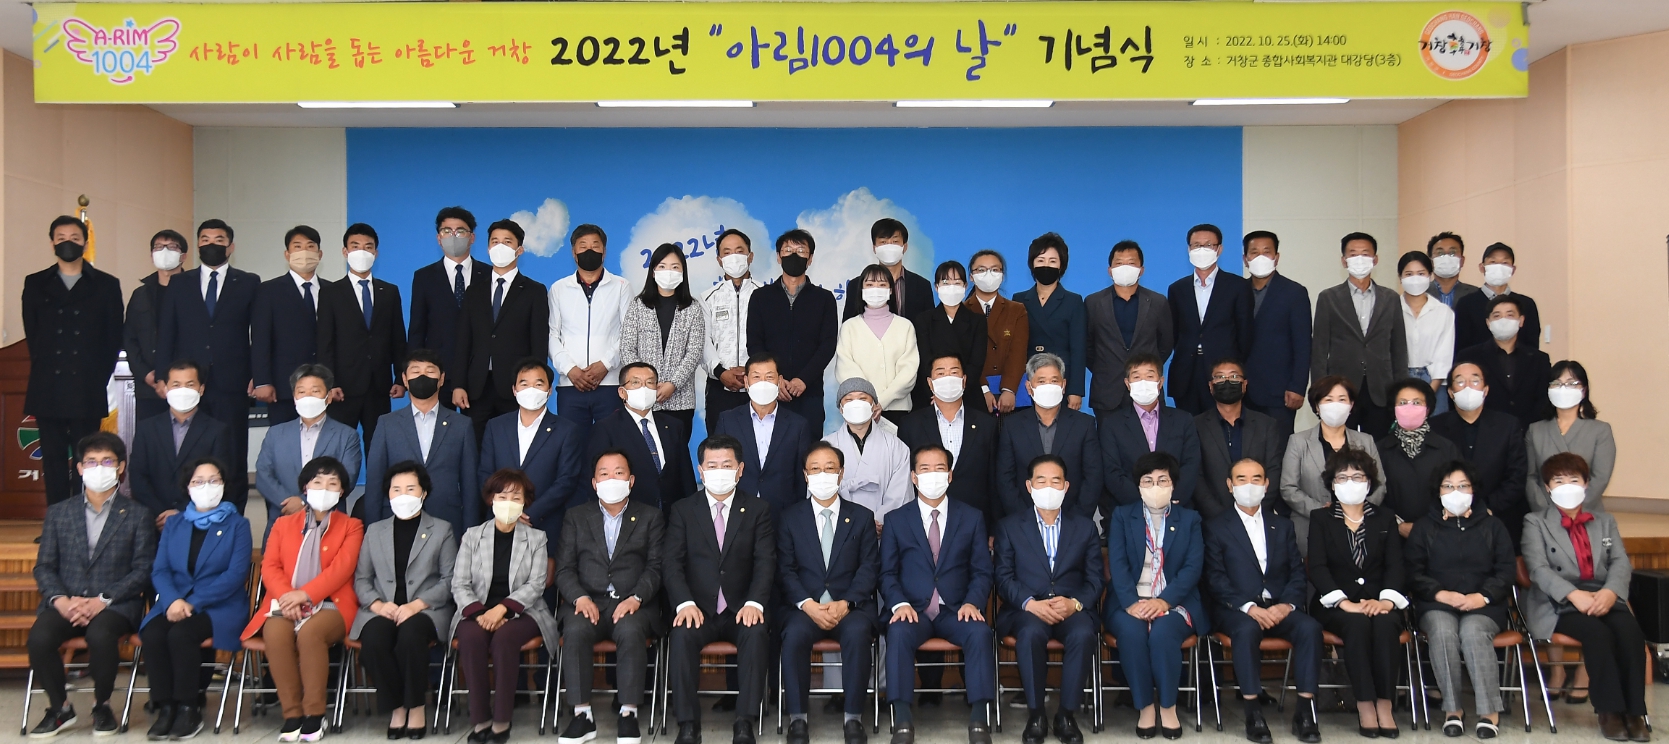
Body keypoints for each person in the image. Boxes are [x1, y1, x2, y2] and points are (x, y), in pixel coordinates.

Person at [26, 433, 156, 737]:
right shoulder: (59, 512)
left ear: (121, 467)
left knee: (101, 636)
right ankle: (60, 708)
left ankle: (102, 705)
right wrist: (60, 600)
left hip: (115, 605)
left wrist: (103, 599)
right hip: (66, 602)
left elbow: (143, 569)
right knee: (39, 638)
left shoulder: (138, 515)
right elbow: (44, 566)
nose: (99, 468)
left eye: (107, 461)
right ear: (80, 468)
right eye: (92, 462)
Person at [1522, 453, 1649, 742]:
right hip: (1558, 603)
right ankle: (1609, 711)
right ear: (1547, 487)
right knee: (1597, 634)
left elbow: (1620, 561)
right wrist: (1573, 595)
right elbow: (1538, 569)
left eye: (1574, 479)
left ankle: (1635, 713)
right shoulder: (1535, 522)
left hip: (1603, 595)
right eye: (1558, 480)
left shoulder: (1605, 521)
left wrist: (1610, 592)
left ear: (1586, 484)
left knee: (1630, 633)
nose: (1567, 486)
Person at [242, 456, 365, 743]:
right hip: (284, 602)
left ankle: (314, 713)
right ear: (305, 488)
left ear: (342, 491)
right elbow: (270, 566)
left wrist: (305, 595)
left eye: (332, 483)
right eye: (317, 482)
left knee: (310, 634)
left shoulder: (352, 526)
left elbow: (342, 569)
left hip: (332, 605)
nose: (325, 488)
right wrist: (289, 597)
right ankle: (292, 714)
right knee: (275, 633)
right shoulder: (283, 524)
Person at [665, 435, 776, 744]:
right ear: (700, 471)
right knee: (681, 636)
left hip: (741, 608)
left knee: (756, 634)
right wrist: (684, 603)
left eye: (726, 465)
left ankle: (744, 721)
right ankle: (688, 724)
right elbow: (671, 563)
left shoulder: (757, 509)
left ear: (740, 470)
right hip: (698, 608)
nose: (719, 471)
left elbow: (765, 561)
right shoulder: (683, 510)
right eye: (711, 466)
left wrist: (755, 602)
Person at [881, 445, 996, 744]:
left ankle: (979, 720)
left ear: (950, 475)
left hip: (955, 609)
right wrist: (899, 603)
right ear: (914, 477)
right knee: (898, 633)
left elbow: (982, 570)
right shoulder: (896, 519)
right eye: (925, 469)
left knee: (980, 633)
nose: (933, 475)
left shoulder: (971, 517)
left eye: (940, 468)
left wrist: (973, 601)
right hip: (912, 610)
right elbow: (887, 573)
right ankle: (902, 720)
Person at [1203, 458, 1323, 744]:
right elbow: (1215, 578)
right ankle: (1253, 711)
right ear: (1230, 485)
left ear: (1267, 485)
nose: (1249, 485)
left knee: (1310, 628)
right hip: (1237, 609)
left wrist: (1287, 605)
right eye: (1241, 479)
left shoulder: (1282, 525)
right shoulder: (1215, 527)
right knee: (1246, 631)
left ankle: (1305, 712)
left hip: (1279, 607)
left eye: (1256, 479)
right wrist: (1249, 607)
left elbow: (1297, 572)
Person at [553, 450, 665, 744]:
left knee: (630, 631)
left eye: (619, 472)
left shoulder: (650, 517)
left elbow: (656, 567)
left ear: (631, 480)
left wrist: (636, 598)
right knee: (575, 630)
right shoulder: (576, 517)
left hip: (633, 603)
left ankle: (628, 713)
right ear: (594, 482)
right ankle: (582, 715)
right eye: (604, 473)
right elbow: (564, 569)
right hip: (587, 601)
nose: (611, 478)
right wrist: (579, 598)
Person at [140, 457, 253, 740]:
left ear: (223, 485)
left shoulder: (238, 525)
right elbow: (161, 569)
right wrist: (172, 600)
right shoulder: (175, 524)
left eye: (214, 480)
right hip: (174, 601)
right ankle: (166, 706)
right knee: (153, 633)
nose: (206, 486)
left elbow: (235, 574)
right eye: (198, 481)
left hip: (220, 605)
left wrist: (192, 602)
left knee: (181, 634)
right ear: (187, 487)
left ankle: (189, 707)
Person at [994, 455, 1102, 744]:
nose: (1049, 487)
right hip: (1027, 608)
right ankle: (1036, 714)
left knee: (1083, 634)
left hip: (1071, 608)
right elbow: (1003, 577)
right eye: (1041, 481)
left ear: (1066, 486)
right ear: (1029, 486)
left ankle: (1066, 715)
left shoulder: (1085, 527)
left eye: (1056, 481)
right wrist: (1030, 603)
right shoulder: (1009, 526)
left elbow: (1095, 579)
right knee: (1030, 634)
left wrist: (1074, 603)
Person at [778, 442, 880, 744]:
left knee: (859, 634)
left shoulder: (861, 516)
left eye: (829, 468)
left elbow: (869, 567)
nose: (822, 475)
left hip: (850, 607)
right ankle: (798, 719)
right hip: (805, 607)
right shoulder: (789, 517)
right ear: (805, 475)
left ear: (841, 473)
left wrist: (847, 603)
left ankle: (853, 718)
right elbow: (785, 569)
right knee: (793, 636)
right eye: (815, 469)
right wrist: (807, 604)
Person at [1404, 461, 1515, 739]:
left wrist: (1482, 596)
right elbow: (1413, 572)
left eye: (1463, 486)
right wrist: (1440, 594)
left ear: (1474, 490)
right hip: (1437, 603)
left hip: (1484, 604)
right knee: (1442, 632)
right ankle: (1452, 709)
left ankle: (1489, 712)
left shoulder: (1493, 526)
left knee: (1473, 633)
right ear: (1438, 491)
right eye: (1448, 486)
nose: (1456, 492)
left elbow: (1506, 571)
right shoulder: (1424, 527)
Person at [451, 469, 561, 743]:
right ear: (491, 499)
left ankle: (501, 720)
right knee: (471, 638)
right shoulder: (472, 536)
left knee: (504, 639)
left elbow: (536, 585)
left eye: (516, 497)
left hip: (525, 612)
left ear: (525, 502)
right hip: (477, 611)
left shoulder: (537, 538)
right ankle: (480, 719)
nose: (509, 502)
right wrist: (480, 613)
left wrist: (502, 610)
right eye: (502, 496)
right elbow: (460, 583)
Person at [156, 219, 260, 506]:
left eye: (219, 240)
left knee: (233, 451)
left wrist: (257, 373)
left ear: (231, 246)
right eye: (205, 239)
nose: (211, 244)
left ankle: (233, 517)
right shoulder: (180, 283)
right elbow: (167, 332)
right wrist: (163, 376)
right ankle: (188, 514)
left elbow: (258, 333)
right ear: (197, 244)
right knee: (189, 449)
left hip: (233, 382)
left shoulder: (248, 282)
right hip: (188, 384)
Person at [1304, 448, 1407, 738]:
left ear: (1369, 482)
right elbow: (1318, 567)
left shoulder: (1385, 518)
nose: (1350, 482)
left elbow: (1395, 565)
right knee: (1357, 624)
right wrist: (1344, 602)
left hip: (1380, 601)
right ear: (1332, 483)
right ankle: (1364, 704)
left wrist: (1386, 600)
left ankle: (1385, 704)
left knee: (1386, 625)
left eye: (1358, 477)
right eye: (1343, 477)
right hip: (1336, 605)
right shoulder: (1321, 518)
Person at [1105, 452, 1207, 740]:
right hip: (1130, 601)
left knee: (1163, 634)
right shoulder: (1122, 516)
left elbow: (1192, 567)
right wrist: (1131, 603)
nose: (1155, 486)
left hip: (1175, 601)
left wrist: (1164, 601)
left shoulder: (1190, 519)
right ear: (1138, 485)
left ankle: (1168, 707)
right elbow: (1118, 564)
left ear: (1173, 484)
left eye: (1163, 480)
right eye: (1148, 480)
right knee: (1132, 634)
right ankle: (1145, 707)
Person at [352, 460, 458, 739]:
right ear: (388, 494)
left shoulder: (442, 529)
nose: (402, 495)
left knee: (411, 637)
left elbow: (450, 580)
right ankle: (398, 707)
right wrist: (378, 605)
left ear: (424, 493)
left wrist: (416, 605)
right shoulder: (375, 531)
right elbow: (361, 579)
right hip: (383, 608)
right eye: (396, 489)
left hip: (426, 609)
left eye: (410, 489)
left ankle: (417, 707)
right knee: (374, 641)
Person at [25, 215, 125, 507]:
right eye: (61, 238)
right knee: (53, 459)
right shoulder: (36, 282)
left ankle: (84, 517)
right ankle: (58, 519)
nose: (67, 243)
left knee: (87, 458)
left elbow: (112, 337)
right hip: (49, 385)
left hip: (87, 386)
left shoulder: (106, 284)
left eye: (74, 238)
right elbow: (33, 334)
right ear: (52, 243)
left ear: (85, 242)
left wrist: (96, 376)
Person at [363, 351, 479, 538]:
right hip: (395, 520)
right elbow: (375, 481)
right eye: (416, 371)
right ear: (405, 379)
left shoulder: (461, 425)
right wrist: (372, 532)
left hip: (447, 519)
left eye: (430, 371)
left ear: (441, 379)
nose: (422, 376)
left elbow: (470, 484)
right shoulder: (387, 423)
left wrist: (470, 534)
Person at [454, 219, 551, 439]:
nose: (500, 246)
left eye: (507, 242)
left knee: (512, 446)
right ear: (488, 248)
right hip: (476, 388)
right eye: (495, 241)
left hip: (515, 387)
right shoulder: (473, 291)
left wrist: (534, 386)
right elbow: (463, 341)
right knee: (475, 447)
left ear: (519, 250)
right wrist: (459, 384)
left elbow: (538, 342)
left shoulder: (534, 291)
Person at [318, 223, 408, 454]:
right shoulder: (330, 293)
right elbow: (325, 343)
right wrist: (329, 383)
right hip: (342, 387)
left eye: (368, 247)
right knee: (338, 448)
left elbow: (398, 338)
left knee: (378, 448)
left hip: (379, 386)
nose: (362, 252)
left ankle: (376, 481)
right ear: (345, 251)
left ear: (375, 253)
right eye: (355, 246)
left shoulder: (389, 292)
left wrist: (400, 377)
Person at [1310, 231, 1406, 436]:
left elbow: (1399, 349)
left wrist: (1400, 390)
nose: (1359, 259)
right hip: (1340, 388)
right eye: (1353, 254)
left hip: (1381, 387)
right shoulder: (1328, 298)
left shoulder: (1390, 298)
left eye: (1365, 254)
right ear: (1344, 261)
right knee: (1340, 441)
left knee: (1380, 444)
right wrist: (1320, 391)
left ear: (1375, 259)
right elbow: (1319, 349)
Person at [479, 358, 586, 541]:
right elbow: (485, 472)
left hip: (545, 523)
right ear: (514, 390)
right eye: (524, 384)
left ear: (549, 390)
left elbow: (567, 479)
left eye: (538, 384)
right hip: (499, 522)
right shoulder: (496, 426)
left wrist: (531, 513)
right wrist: (505, 508)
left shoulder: (567, 430)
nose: (531, 390)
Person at [1279, 377, 1388, 556]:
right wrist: (1323, 512)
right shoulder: (1298, 442)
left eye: (1342, 399)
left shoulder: (1365, 440)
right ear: (1317, 406)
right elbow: (1288, 488)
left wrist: (1358, 511)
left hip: (1361, 527)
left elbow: (1380, 484)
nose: (1335, 405)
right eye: (1328, 400)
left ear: (1351, 405)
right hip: (1311, 528)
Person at [747, 229, 839, 434]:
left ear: (810, 258)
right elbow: (754, 343)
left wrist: (803, 380)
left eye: (801, 250)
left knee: (809, 449)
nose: (794, 255)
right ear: (778, 257)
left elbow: (827, 345)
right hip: (769, 392)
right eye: (788, 250)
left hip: (809, 393)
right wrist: (775, 379)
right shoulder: (760, 297)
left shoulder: (824, 299)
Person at [254, 365, 362, 539]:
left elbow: (347, 478)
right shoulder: (276, 433)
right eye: (301, 392)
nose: (308, 397)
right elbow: (263, 475)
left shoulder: (347, 435)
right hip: (283, 519)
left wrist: (302, 502)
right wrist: (289, 503)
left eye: (315, 391)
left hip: (329, 524)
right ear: (294, 397)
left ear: (328, 397)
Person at [1429, 363, 1529, 548]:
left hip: (1497, 518)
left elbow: (1516, 476)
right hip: (1447, 521)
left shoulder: (1508, 426)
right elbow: (1430, 475)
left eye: (1475, 381)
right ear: (1450, 392)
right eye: (1460, 382)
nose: (1468, 387)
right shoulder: (1435, 427)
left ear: (1486, 390)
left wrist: (1486, 507)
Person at [995, 353, 1102, 523]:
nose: (1048, 386)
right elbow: (1005, 477)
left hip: (1073, 520)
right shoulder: (1012, 425)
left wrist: (1077, 519)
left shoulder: (1084, 424)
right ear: (1029, 387)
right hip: (1023, 521)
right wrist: (1023, 519)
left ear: (1064, 385)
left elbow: (1093, 477)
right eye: (1041, 381)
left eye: (1054, 381)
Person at [547, 223, 631, 439]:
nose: (589, 250)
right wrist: (570, 369)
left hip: (610, 383)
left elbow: (629, 333)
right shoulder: (558, 288)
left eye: (595, 245)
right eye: (583, 246)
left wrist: (605, 365)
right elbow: (551, 334)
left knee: (611, 444)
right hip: (570, 385)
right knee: (572, 446)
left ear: (604, 252)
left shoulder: (621, 286)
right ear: (574, 253)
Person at [897, 353, 999, 529]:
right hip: (924, 521)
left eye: (954, 372)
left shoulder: (986, 424)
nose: (948, 378)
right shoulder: (910, 424)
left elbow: (994, 479)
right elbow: (904, 479)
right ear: (930, 383)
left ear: (964, 380)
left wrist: (993, 528)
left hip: (975, 520)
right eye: (941, 373)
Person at [130, 360, 235, 523]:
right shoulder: (146, 428)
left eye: (190, 385)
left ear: (201, 389)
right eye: (176, 385)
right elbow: (138, 477)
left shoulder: (218, 431)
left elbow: (221, 478)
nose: (183, 391)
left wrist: (182, 513)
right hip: (153, 521)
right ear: (165, 389)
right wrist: (160, 513)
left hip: (198, 519)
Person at [1166, 224, 1254, 416]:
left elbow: (1245, 333)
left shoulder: (1238, 286)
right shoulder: (1177, 289)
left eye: (1208, 245)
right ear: (1189, 249)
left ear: (1219, 249)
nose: (1201, 250)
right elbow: (1173, 333)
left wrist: (1234, 366)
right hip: (1186, 372)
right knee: (1187, 427)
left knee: (1221, 426)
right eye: (1196, 245)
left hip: (1223, 373)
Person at [713, 354, 816, 517]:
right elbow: (719, 468)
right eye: (756, 377)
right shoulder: (728, 420)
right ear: (746, 381)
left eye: (769, 377)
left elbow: (800, 477)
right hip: (737, 511)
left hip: (782, 513)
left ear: (779, 381)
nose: (763, 383)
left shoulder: (798, 425)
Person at [619, 242, 706, 432]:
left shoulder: (693, 308)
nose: (669, 272)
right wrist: (645, 383)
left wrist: (672, 384)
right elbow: (627, 348)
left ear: (683, 272)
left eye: (675, 267)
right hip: (641, 398)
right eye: (662, 266)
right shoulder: (638, 305)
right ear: (653, 272)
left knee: (677, 448)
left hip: (680, 401)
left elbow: (694, 352)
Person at [1100, 353, 1203, 512]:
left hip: (1177, 509)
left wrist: (1170, 500)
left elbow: (1191, 464)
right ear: (1127, 384)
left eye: (1149, 376)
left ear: (1160, 382)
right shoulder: (1112, 424)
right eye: (1136, 377)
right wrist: (1143, 503)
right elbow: (1112, 472)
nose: (1143, 383)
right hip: (1131, 511)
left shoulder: (1183, 420)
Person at [1084, 240, 1174, 416]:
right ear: (1110, 270)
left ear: (1141, 270)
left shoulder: (1158, 302)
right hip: (1107, 391)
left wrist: (1144, 369)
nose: (1125, 268)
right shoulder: (1093, 302)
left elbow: (1166, 344)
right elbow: (1087, 346)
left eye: (1131, 263)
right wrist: (1106, 368)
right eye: (1119, 263)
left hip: (1147, 390)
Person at [409, 207, 491, 395]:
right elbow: (417, 329)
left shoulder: (489, 275)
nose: (453, 236)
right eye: (447, 231)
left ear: (472, 237)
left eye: (460, 231)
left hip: (480, 371)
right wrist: (414, 369)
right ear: (439, 238)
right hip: (438, 370)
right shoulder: (424, 277)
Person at [251, 226, 325, 426]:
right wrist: (262, 381)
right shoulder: (268, 291)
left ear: (319, 254)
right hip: (283, 387)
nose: (304, 252)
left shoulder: (332, 290)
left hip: (324, 386)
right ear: (287, 254)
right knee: (284, 439)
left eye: (310, 246)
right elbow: (260, 339)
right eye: (297, 246)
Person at [1241, 230, 1311, 439]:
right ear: (1245, 259)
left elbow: (1303, 344)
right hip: (1242, 391)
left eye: (1267, 252)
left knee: (1278, 449)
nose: (1260, 257)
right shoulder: (1237, 291)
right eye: (1254, 252)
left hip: (1280, 392)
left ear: (1276, 257)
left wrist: (1297, 386)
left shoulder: (1294, 293)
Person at [1194, 358, 1283, 519]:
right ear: (1210, 386)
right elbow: (1196, 477)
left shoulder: (1266, 425)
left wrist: (1255, 511)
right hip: (1212, 519)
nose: (1227, 381)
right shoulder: (1195, 426)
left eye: (1234, 376)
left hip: (1259, 516)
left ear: (1245, 384)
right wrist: (1220, 516)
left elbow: (1273, 471)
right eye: (1220, 377)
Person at [821, 377, 914, 528]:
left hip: (884, 528)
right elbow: (821, 490)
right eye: (849, 399)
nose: (856, 404)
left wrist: (880, 522)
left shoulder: (896, 446)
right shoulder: (826, 446)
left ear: (874, 405)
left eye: (863, 398)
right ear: (841, 408)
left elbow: (900, 493)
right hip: (839, 528)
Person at [837, 264, 922, 426]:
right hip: (860, 409)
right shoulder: (849, 327)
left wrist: (882, 400)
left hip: (899, 409)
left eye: (882, 284)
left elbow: (909, 370)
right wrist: (866, 399)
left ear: (890, 290)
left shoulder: (905, 326)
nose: (875, 289)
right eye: (869, 284)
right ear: (861, 290)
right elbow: (846, 368)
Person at [1525, 360, 1614, 513]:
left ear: (1584, 391)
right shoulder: (1535, 430)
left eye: (1572, 383)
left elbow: (1600, 478)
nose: (1563, 388)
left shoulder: (1600, 431)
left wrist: (1575, 512)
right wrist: (1545, 510)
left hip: (1586, 513)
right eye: (1557, 383)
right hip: (1544, 514)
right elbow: (1530, 477)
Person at [1376, 378, 1463, 532]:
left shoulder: (1446, 448)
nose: (1409, 408)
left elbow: (1459, 490)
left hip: (1439, 531)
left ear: (1428, 409)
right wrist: (1397, 525)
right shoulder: (1379, 449)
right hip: (1392, 533)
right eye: (1402, 403)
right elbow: (1373, 494)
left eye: (1417, 402)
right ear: (1394, 409)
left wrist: (1432, 525)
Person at [1014, 233, 1087, 411]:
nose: (1046, 265)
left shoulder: (1073, 301)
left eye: (1052, 261)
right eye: (1040, 260)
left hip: (1060, 380)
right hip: (1028, 380)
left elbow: (1078, 349)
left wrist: (1075, 390)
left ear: (1062, 265)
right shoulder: (1019, 300)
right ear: (1032, 264)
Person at [1454, 295, 1552, 423]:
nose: (1503, 320)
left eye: (1510, 315)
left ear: (1521, 321)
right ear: (1488, 323)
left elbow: (1543, 399)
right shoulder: (1469, 356)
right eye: (1497, 316)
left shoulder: (1539, 359)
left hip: (1528, 429)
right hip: (1485, 428)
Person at [126, 229, 190, 422]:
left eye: (172, 247)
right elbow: (129, 338)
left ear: (183, 256)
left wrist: (182, 377)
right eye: (159, 247)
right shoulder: (140, 294)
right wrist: (146, 374)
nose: (164, 251)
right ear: (151, 255)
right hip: (148, 387)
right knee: (150, 436)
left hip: (186, 385)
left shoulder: (194, 292)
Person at [702, 229, 763, 430]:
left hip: (759, 385)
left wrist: (752, 372)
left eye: (739, 251)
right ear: (719, 260)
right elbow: (702, 341)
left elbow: (773, 339)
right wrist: (721, 372)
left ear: (750, 256)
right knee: (720, 444)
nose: (733, 257)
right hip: (720, 386)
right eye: (727, 253)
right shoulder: (707, 298)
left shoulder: (766, 294)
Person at [911, 261, 988, 412]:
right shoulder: (924, 320)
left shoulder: (977, 321)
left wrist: (958, 391)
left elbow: (976, 363)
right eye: (946, 283)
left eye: (957, 283)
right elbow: (924, 361)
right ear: (936, 287)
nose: (951, 287)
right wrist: (937, 392)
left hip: (967, 394)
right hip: (931, 395)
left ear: (965, 286)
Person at [963, 249, 1030, 415]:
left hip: (1010, 392)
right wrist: (983, 389)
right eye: (981, 270)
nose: (988, 274)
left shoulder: (1017, 310)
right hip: (974, 390)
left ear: (1002, 275)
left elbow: (1018, 353)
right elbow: (964, 355)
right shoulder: (962, 310)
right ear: (971, 277)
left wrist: (1009, 390)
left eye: (994, 269)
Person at [1452, 242, 1540, 356]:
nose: (1499, 267)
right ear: (1482, 267)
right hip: (1476, 364)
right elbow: (1460, 345)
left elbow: (1532, 347)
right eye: (1493, 262)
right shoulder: (1466, 303)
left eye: (1505, 263)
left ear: (1513, 269)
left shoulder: (1526, 304)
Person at [843, 218, 934, 322]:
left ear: (904, 247)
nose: (889, 247)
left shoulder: (922, 286)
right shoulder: (856, 285)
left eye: (895, 242)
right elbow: (848, 325)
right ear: (874, 248)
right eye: (883, 242)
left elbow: (930, 325)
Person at [1397, 252, 1454, 416]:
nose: (1415, 279)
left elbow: (1444, 355)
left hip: (1433, 381)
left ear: (1430, 276)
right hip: (1400, 378)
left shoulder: (1443, 312)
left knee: (1435, 428)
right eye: (1409, 274)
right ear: (1400, 278)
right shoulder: (1391, 309)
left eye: (1421, 273)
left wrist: (1429, 391)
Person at [1424, 233, 1479, 310]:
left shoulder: (1476, 294)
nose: (1446, 258)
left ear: (1462, 261)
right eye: (1440, 253)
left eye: (1452, 253)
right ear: (1431, 261)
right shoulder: (1421, 292)